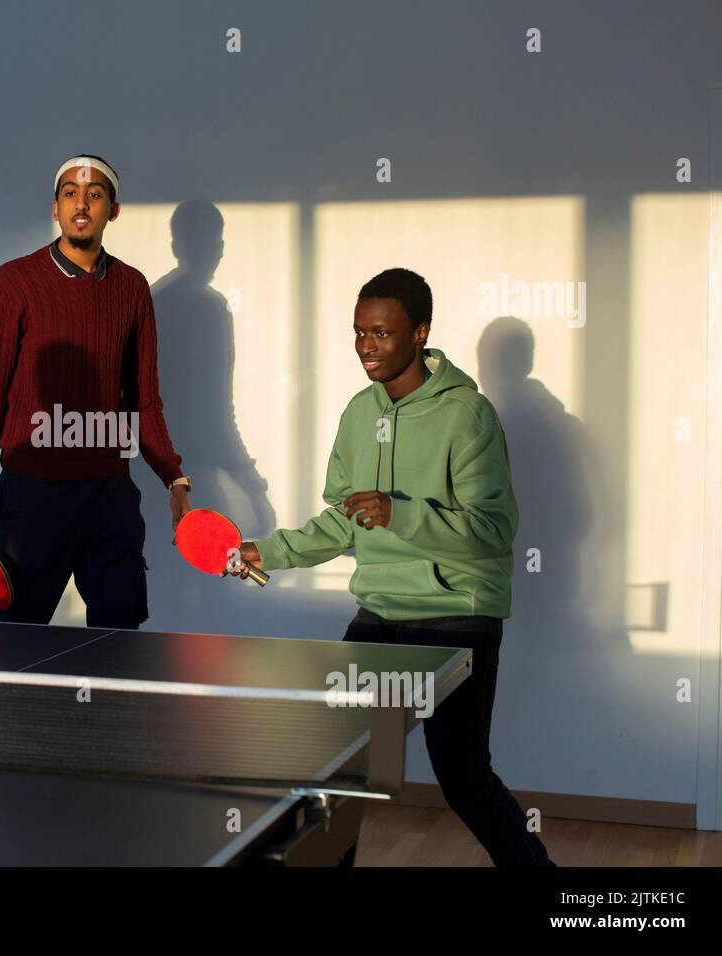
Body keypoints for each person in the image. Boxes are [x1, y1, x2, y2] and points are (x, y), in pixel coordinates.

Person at [234, 267, 554, 866]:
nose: (366, 347)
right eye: (359, 333)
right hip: (380, 613)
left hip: (456, 616)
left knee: (461, 776)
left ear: (420, 333)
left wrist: (399, 513)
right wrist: (266, 552)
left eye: (381, 334)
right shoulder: (359, 413)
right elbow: (345, 518)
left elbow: (494, 532)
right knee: (338, 770)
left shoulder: (469, 416)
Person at [0, 154, 192, 629]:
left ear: (114, 210)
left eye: (95, 194)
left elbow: (143, 398)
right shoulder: (14, 282)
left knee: (120, 641)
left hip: (109, 495)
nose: (81, 203)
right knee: (11, 643)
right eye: (70, 193)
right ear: (55, 208)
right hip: (30, 497)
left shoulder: (132, 287)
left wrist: (174, 478)